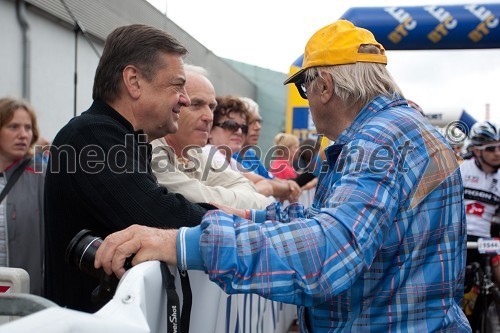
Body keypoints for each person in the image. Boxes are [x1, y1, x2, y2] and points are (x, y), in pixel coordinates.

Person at [95, 20, 470, 331]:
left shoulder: (378, 140)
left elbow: (327, 254)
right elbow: (338, 226)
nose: (308, 101)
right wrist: (246, 216)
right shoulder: (402, 130)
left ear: (323, 86)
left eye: (306, 88)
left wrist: (185, 245)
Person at [44, 24, 213, 312]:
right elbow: (158, 214)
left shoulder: (119, 139)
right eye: (177, 85)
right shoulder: (91, 137)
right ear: (133, 81)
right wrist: (224, 221)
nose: (184, 99)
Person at [150, 65, 271, 209]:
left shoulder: (195, 153)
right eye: (195, 104)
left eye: (212, 107)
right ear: (171, 105)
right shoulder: (149, 148)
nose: (209, 117)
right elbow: (195, 199)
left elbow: (257, 197)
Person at [0, 97, 45, 296]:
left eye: (28, 128)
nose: (23, 134)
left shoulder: (41, 174)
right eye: (13, 127)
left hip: (24, 295)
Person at [460, 121, 500, 328]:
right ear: (476, 150)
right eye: (491, 148)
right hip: (459, 239)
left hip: (486, 240)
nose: (498, 153)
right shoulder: (461, 168)